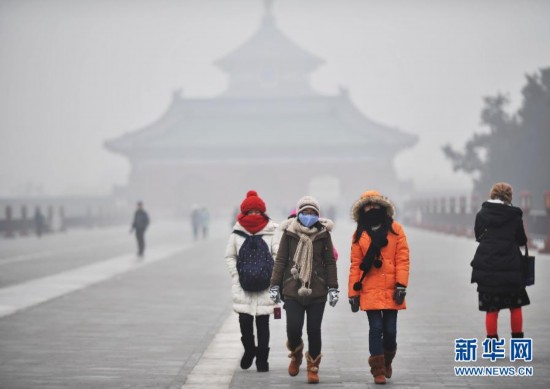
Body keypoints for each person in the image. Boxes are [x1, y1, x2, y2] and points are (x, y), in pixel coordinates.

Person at [270, 196, 338, 384]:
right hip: (293, 289)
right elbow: (281, 260)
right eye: (305, 212)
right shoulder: (289, 233)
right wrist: (274, 285)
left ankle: (313, 366)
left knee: (314, 330)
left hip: (317, 290)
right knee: (293, 328)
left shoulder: (323, 234)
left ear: (317, 215)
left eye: (312, 212)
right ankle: (296, 353)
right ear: (299, 213)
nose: (309, 215)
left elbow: (330, 262)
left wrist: (333, 287)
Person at [348, 190, 410, 385]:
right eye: (368, 205)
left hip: (392, 288)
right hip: (370, 288)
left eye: (375, 205)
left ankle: (387, 360)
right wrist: (353, 293)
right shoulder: (359, 234)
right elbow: (355, 264)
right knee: (375, 328)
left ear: (382, 207)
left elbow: (402, 258)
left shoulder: (396, 230)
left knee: (390, 331)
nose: (372, 208)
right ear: (362, 209)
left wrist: (401, 284)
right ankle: (378, 370)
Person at [225, 190, 280, 372]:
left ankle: (262, 360)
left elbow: (277, 255)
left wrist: (272, 276)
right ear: (245, 212)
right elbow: (230, 256)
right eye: (251, 211)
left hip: (266, 284)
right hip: (243, 286)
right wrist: (236, 275)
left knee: (263, 323)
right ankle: (250, 350)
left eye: (257, 211)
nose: (254, 214)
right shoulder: (236, 232)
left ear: (262, 212)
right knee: (245, 323)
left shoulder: (272, 231)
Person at [470, 182, 529, 340]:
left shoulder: (482, 214)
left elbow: (478, 236)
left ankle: (492, 346)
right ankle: (518, 346)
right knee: (515, 306)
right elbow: (522, 240)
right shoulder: (515, 214)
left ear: (492, 194)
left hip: (487, 268)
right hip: (511, 268)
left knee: (492, 309)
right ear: (509, 196)